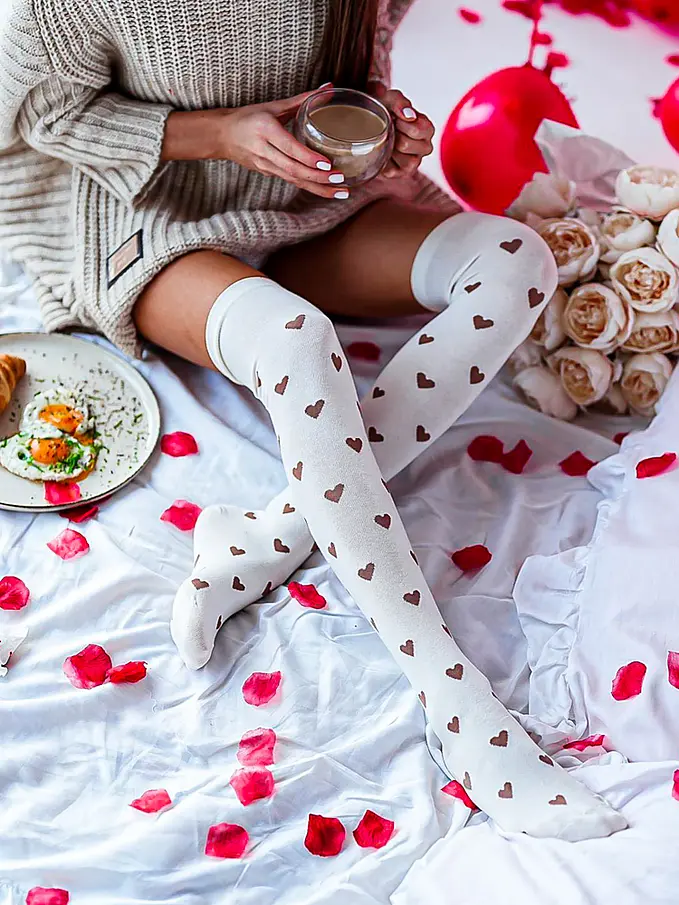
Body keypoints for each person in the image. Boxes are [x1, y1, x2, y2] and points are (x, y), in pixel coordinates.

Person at [0, 0, 626, 840]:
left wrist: (387, 122)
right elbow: (40, 113)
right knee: (295, 341)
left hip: (315, 202)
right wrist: (221, 134)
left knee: (517, 258)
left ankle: (270, 536)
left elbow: (359, 47)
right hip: (147, 215)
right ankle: (457, 705)